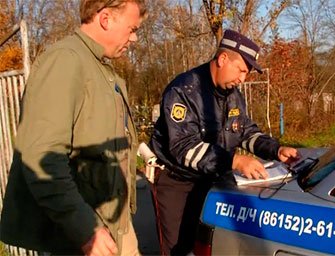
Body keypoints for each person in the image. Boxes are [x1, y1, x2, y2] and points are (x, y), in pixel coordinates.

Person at [0, 1, 147, 255]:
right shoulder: (65, 62)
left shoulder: (103, 71)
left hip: (115, 227)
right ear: (106, 19)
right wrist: (84, 228)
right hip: (83, 237)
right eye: (131, 28)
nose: (134, 38)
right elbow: (40, 158)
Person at [149, 29, 299, 255]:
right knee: (178, 249)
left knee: (205, 246)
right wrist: (234, 160)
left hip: (212, 181)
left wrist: (276, 150)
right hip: (176, 182)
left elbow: (245, 132)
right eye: (241, 70)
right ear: (222, 59)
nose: (242, 78)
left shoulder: (233, 95)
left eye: (246, 73)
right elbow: (183, 147)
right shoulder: (184, 90)